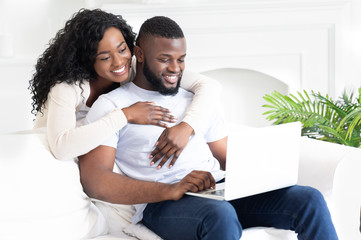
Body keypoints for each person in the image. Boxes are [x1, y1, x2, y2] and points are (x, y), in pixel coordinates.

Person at [79, 16, 339, 239]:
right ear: (139, 54)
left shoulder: (196, 102)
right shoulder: (113, 105)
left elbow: (225, 156)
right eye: (164, 59)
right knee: (220, 215)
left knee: (309, 200)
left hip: (217, 191)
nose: (175, 68)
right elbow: (95, 180)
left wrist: (264, 173)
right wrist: (171, 189)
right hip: (163, 204)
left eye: (181, 59)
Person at [28, 8, 221, 163]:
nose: (119, 62)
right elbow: (62, 148)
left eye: (122, 49)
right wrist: (126, 115)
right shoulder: (66, 88)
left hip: (99, 146)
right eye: (105, 57)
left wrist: (187, 126)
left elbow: (209, 86)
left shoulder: (134, 67)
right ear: (86, 60)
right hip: (55, 153)